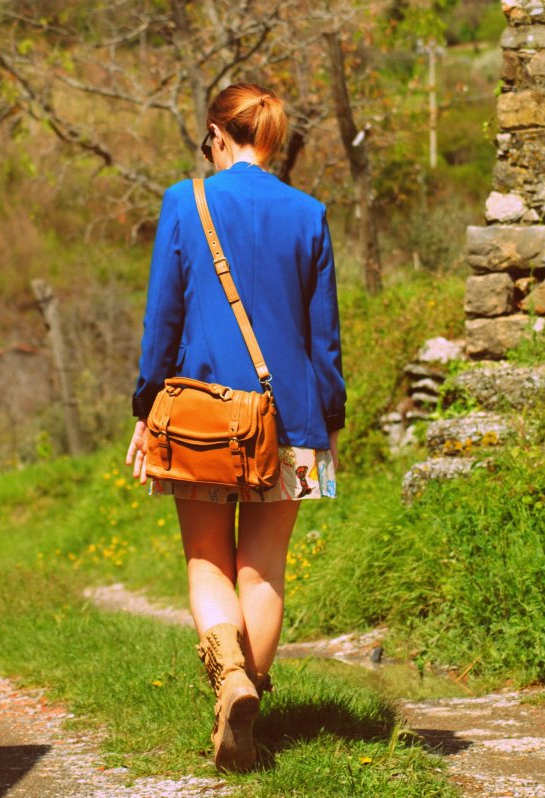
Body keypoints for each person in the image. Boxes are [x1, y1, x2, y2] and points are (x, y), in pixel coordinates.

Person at [126, 82, 345, 772]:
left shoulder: (183, 202)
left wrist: (146, 407)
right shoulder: (309, 213)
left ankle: (230, 683)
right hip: (292, 419)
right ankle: (252, 698)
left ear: (217, 135)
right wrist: (329, 422)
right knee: (264, 565)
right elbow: (324, 340)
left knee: (206, 559)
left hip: (201, 417)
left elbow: (162, 318)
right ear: (270, 139)